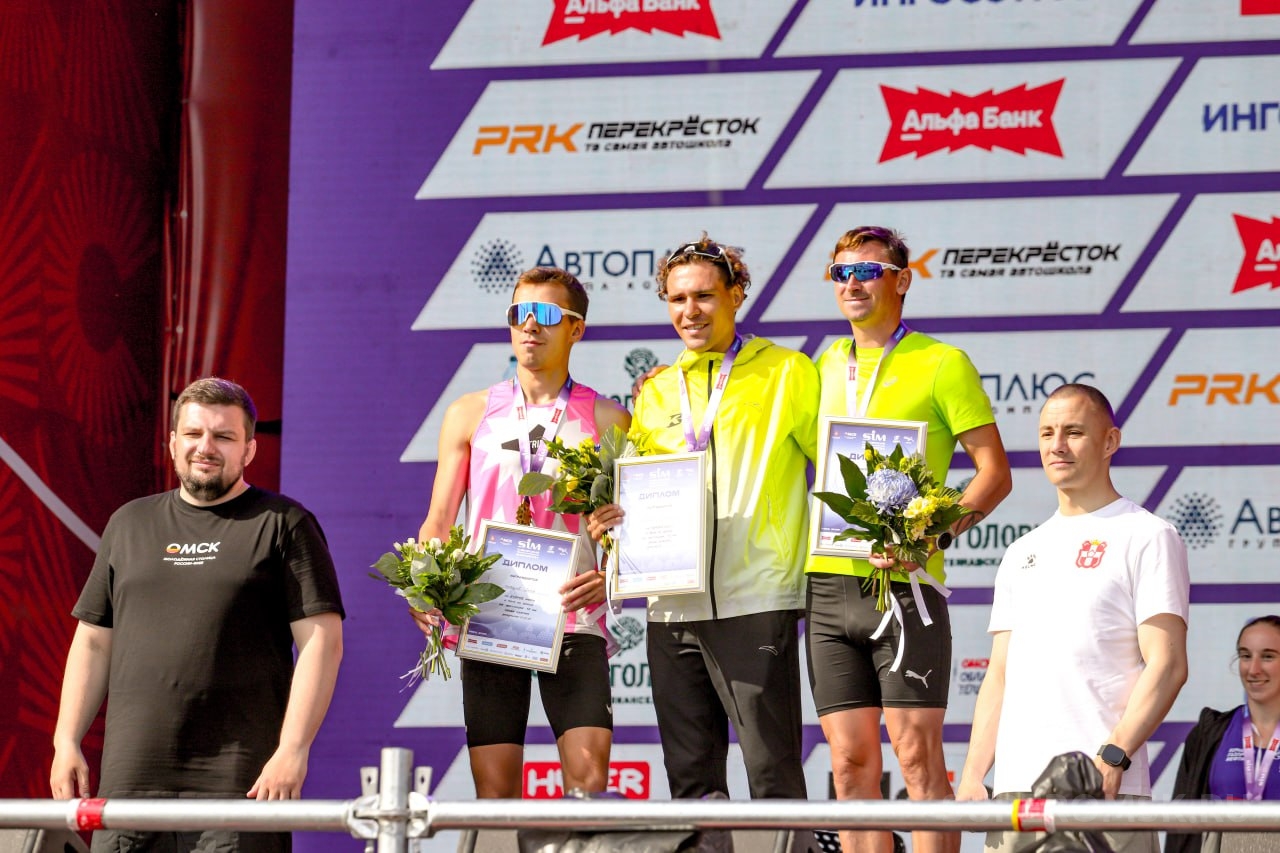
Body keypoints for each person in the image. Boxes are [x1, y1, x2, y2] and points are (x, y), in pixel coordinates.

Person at [50, 377, 346, 853]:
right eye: (193, 434)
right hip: (130, 782)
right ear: (173, 443)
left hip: (240, 782)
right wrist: (66, 740)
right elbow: (93, 641)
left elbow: (322, 643)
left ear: (249, 449)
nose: (205, 447)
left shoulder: (284, 524)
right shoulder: (129, 523)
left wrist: (292, 750)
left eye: (223, 436)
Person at [588, 234, 820, 800]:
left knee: (772, 774)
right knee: (690, 779)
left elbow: (837, 470)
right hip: (671, 607)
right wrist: (614, 521)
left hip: (755, 597)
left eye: (704, 296)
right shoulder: (655, 391)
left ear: (736, 295)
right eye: (677, 299)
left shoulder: (788, 371)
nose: (689, 311)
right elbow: (640, 491)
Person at [805, 225, 1012, 853]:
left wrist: (929, 538)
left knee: (918, 758)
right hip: (828, 585)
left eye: (867, 271)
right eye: (841, 272)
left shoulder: (942, 362)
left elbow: (994, 474)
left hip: (905, 588)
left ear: (902, 280)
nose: (852, 283)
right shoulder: (821, 364)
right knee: (848, 766)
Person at [414, 266, 630, 798]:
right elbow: (439, 520)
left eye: (547, 314)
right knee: (495, 793)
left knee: (588, 785)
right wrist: (423, 584)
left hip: (573, 612)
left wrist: (612, 576)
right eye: (520, 313)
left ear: (576, 329)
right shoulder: (468, 413)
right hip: (491, 611)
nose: (530, 325)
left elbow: (630, 528)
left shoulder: (610, 418)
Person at [957, 382, 1190, 853]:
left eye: (1074, 432)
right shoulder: (1021, 551)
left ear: (1110, 441)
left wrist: (1114, 755)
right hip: (1016, 794)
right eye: (1047, 433)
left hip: (1103, 789)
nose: (1057, 445)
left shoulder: (1148, 535)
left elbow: (1167, 664)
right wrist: (972, 775)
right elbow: (999, 675)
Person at [1166, 615, 1280, 853]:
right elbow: (1182, 830)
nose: (1253, 669)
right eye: (1245, 656)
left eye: (1268, 656)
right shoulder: (1210, 733)